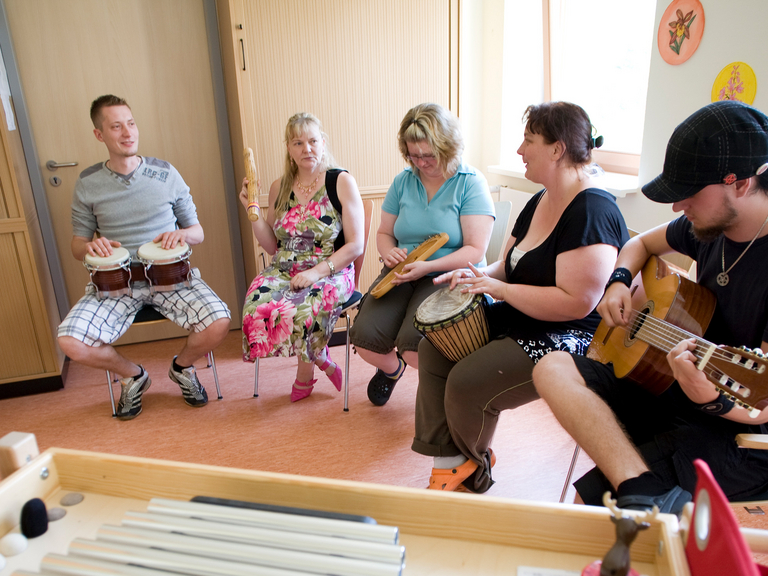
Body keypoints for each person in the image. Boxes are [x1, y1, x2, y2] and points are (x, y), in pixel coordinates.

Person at [532, 100, 768, 515]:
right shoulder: (709, 226)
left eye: (688, 193)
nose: (678, 207)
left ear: (742, 184)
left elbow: (763, 403)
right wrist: (619, 283)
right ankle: (641, 485)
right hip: (677, 382)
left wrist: (712, 399)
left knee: (587, 505)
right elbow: (638, 244)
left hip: (741, 433)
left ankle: (640, 492)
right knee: (551, 366)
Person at [413, 101, 629, 493]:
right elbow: (507, 264)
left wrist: (499, 290)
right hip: (524, 314)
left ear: (557, 148)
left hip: (571, 336)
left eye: (528, 140)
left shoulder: (593, 210)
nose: (519, 150)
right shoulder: (540, 199)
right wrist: (479, 275)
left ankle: (470, 472)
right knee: (433, 350)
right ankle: (452, 462)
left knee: (466, 382)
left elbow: (577, 302)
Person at [57, 94, 231, 420]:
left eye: (131, 123)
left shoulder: (166, 174)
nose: (128, 133)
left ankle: (182, 368)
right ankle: (132, 376)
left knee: (219, 321)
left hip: (172, 277)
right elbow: (77, 245)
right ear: (99, 134)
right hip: (116, 283)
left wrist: (182, 234)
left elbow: (197, 232)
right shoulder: (88, 183)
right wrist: (90, 247)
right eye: (116, 126)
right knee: (70, 341)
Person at [350, 103, 495, 406]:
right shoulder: (404, 180)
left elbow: (475, 250)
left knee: (415, 344)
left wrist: (427, 266)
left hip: (448, 273)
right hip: (404, 272)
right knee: (364, 338)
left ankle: (447, 394)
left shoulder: (470, 183)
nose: (420, 162)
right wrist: (389, 252)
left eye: (428, 155)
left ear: (447, 146)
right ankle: (393, 370)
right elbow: (384, 232)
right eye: (413, 155)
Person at [239, 113, 364, 402]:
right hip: (283, 268)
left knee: (303, 308)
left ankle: (304, 377)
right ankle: (322, 359)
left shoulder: (340, 181)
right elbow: (271, 245)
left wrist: (315, 273)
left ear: (322, 143)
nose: (306, 149)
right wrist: (252, 211)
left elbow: (355, 245)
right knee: (253, 308)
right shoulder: (279, 186)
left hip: (331, 268)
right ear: (289, 148)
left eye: (312, 141)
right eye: (298, 142)